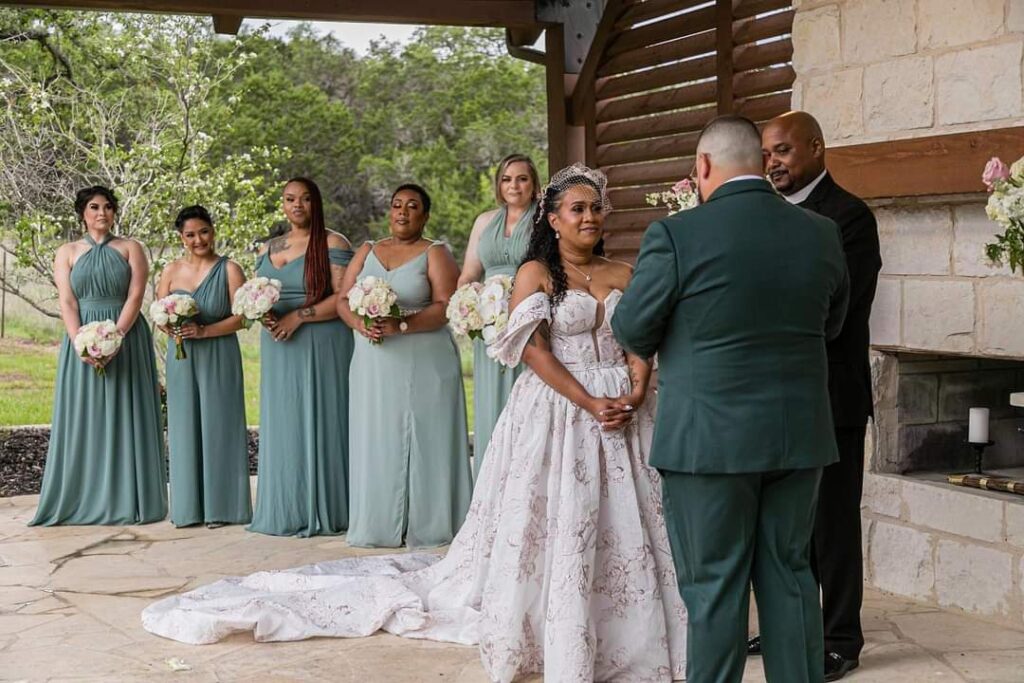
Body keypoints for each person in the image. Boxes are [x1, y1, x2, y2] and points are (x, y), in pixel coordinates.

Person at [142, 165, 687, 683]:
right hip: (563, 407)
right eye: (577, 209)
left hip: (625, 411)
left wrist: (636, 389)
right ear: (553, 218)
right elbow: (534, 351)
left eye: (595, 208)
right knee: (556, 515)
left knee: (629, 523)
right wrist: (589, 401)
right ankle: (555, 618)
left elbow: (639, 338)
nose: (589, 217)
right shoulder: (535, 272)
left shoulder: (624, 272)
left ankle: (627, 622)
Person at [612, 115, 849, 683]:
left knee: (715, 587)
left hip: (707, 444)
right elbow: (832, 325)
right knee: (791, 578)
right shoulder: (821, 232)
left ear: (702, 167)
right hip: (798, 436)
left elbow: (632, 327)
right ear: (762, 163)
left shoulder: (676, 234)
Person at [750, 110, 881, 681]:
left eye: (781, 151)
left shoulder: (850, 217)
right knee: (785, 523)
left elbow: (838, 310)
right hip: (778, 394)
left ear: (816, 148)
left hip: (832, 394)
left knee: (832, 521)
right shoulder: (765, 215)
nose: (771, 162)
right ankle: (790, 626)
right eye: (765, 154)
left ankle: (840, 639)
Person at [338, 183, 472, 548]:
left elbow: (446, 306)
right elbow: (342, 300)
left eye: (412, 206)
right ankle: (379, 524)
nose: (403, 212)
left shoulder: (435, 252)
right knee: (377, 435)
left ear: (425, 215)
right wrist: (361, 324)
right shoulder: (367, 250)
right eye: (397, 205)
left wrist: (401, 325)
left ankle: (429, 524)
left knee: (425, 435)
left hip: (424, 358)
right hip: (373, 361)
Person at [30, 186, 166, 526]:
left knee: (125, 410)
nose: (101, 213)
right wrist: (82, 342)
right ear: (82, 213)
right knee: (84, 414)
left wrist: (115, 337)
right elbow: (67, 301)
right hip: (82, 339)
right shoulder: (67, 252)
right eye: (94, 207)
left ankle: (129, 497)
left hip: (127, 335)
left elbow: (136, 296)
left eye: (107, 207)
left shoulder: (131, 248)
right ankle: (82, 495)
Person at [247, 177, 354, 537]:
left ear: (316, 203)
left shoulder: (333, 243)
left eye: (306, 199)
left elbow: (342, 298)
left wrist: (299, 316)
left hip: (321, 340)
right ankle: (286, 505)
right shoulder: (268, 247)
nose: (298, 206)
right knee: (284, 420)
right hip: (278, 344)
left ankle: (329, 505)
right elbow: (255, 291)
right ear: (283, 204)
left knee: (324, 416)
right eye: (291, 199)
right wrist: (261, 313)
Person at [155, 205, 252, 529]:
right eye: (191, 235)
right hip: (182, 356)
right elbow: (159, 314)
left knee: (219, 425)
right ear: (181, 237)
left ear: (213, 230)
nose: (199, 240)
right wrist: (173, 328)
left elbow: (244, 317)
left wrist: (205, 330)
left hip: (219, 353)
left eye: (204, 232)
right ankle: (188, 508)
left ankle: (223, 507)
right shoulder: (170, 270)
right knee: (184, 427)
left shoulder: (230, 269)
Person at [457, 154, 539, 475]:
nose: (514, 185)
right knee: (491, 399)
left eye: (522, 178)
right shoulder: (484, 221)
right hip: (489, 326)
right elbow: (468, 274)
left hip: (528, 321)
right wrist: (466, 306)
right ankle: (490, 488)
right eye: (507, 179)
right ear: (498, 185)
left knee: (526, 401)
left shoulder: (545, 219)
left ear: (534, 184)